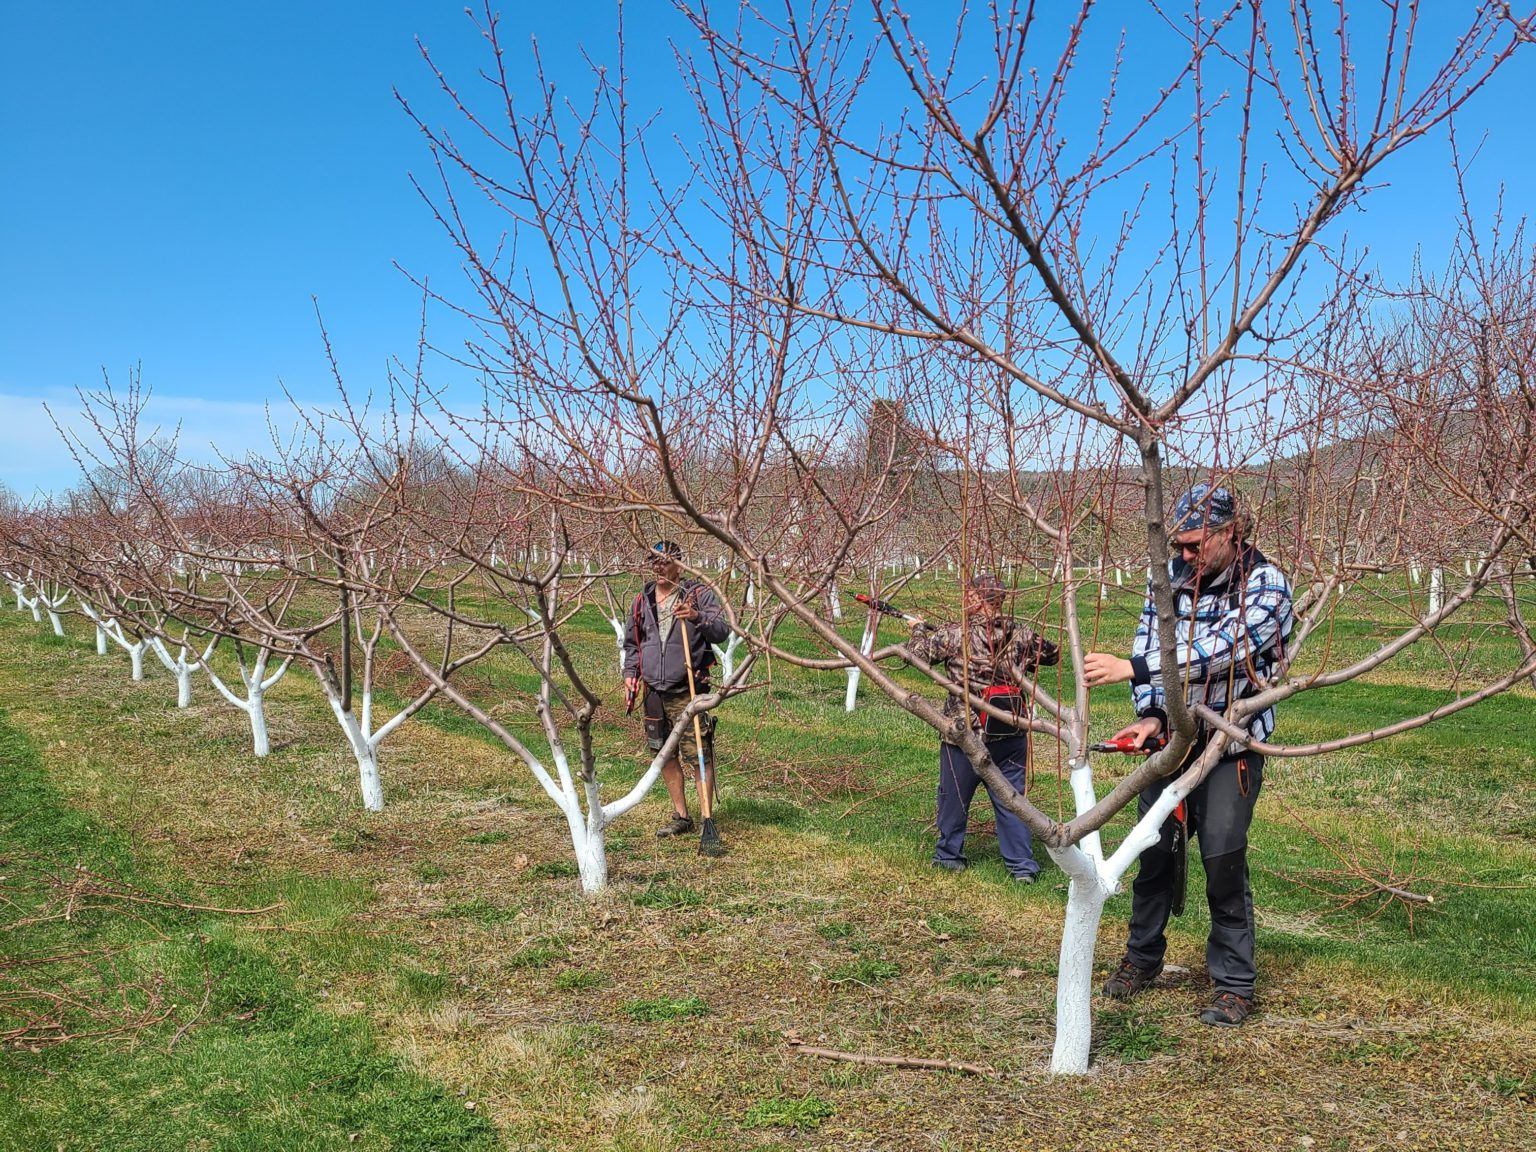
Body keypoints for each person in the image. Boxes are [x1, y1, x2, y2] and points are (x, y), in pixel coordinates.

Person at [1083, 484, 1293, 1028]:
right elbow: (1148, 642)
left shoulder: (1267, 585)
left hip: (1229, 745)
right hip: (1174, 743)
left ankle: (1235, 985)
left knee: (1223, 859)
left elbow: (1223, 652)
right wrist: (1152, 713)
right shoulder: (1171, 583)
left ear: (1230, 533)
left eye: (1195, 544)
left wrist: (1141, 669)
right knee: (1149, 854)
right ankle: (1142, 958)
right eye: (1178, 545)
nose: (1184, 556)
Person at [908, 573, 1060, 883]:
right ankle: (1022, 868)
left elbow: (916, 655)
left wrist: (919, 629)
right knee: (1012, 800)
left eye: (969, 595)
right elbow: (1053, 654)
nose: (964, 600)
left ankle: (949, 856)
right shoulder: (1022, 634)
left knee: (954, 797)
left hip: (964, 734)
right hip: (1010, 731)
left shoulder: (953, 636)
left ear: (978, 599)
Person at [622, 540, 732, 840]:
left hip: (689, 688)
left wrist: (697, 617)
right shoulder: (641, 600)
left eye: (665, 561)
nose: (659, 567)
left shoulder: (696, 594)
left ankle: (707, 816)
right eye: (653, 562)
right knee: (664, 754)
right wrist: (630, 673)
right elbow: (632, 644)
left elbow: (722, 631)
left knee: (698, 754)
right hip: (654, 691)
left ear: (679, 564)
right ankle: (682, 816)